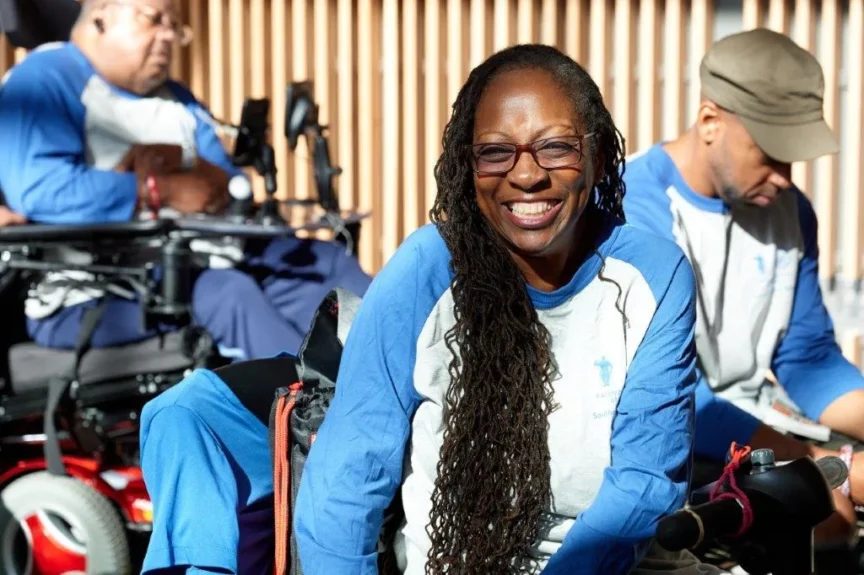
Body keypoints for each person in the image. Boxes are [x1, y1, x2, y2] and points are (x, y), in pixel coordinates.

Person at [294, 44, 722, 575]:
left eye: (556, 147)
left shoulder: (652, 276)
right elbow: (346, 480)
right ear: (467, 168)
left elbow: (644, 482)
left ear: (599, 158)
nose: (525, 176)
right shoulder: (425, 271)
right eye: (495, 153)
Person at [0, 0, 371, 362]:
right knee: (227, 293)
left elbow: (226, 185)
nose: (168, 36)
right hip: (94, 292)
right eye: (153, 18)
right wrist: (162, 189)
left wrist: (188, 171)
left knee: (325, 265)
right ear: (102, 15)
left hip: (207, 261)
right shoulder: (45, 79)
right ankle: (310, 412)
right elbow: (41, 191)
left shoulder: (175, 98)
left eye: (174, 25)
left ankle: (393, 388)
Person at [623, 28, 863, 539]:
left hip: (766, 424)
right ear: (710, 120)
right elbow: (664, 395)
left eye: (793, 155)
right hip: (674, 438)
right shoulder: (635, 215)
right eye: (770, 152)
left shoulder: (791, 211)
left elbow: (807, 357)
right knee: (825, 520)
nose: (784, 174)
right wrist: (826, 464)